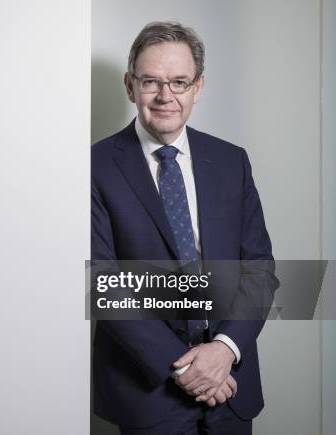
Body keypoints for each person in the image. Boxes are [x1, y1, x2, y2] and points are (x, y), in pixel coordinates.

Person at [91, 22, 275, 434]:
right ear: (129, 85)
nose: (165, 96)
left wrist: (224, 351)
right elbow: (99, 282)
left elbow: (259, 268)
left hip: (230, 385)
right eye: (151, 81)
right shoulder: (94, 166)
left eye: (178, 82)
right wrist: (188, 369)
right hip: (148, 390)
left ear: (198, 87)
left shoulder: (231, 161)